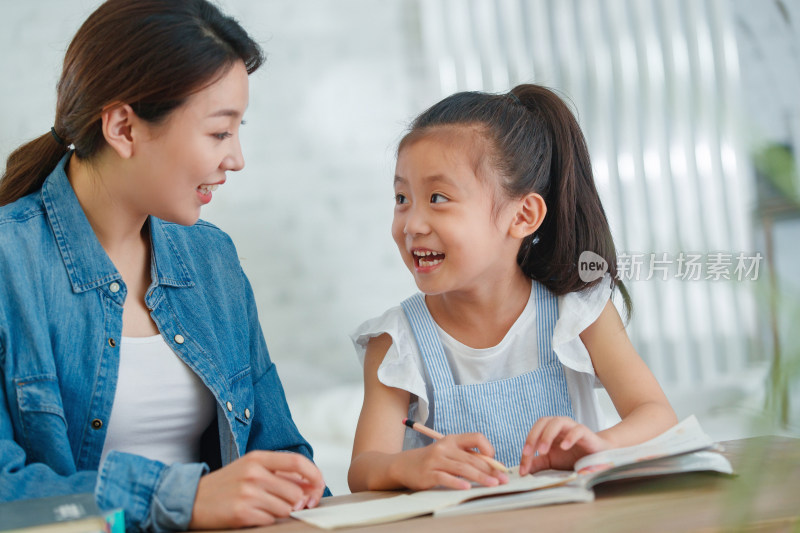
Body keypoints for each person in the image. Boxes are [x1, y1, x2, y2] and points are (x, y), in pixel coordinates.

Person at [0, 1, 328, 530]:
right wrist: (186, 499)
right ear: (123, 128)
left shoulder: (212, 260)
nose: (236, 158)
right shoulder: (9, 265)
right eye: (220, 132)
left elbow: (281, 455)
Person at [347, 84, 678, 492]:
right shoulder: (395, 342)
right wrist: (407, 467)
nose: (412, 224)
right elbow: (363, 470)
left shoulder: (576, 313)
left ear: (523, 215)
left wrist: (598, 444)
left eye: (437, 197)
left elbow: (658, 415)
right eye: (402, 198)